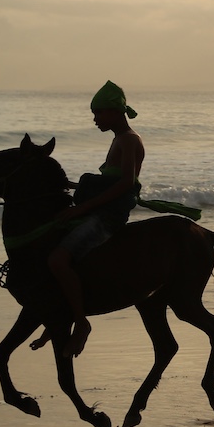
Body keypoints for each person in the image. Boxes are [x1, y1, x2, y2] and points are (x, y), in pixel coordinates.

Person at [46, 80, 145, 357]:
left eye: (99, 113)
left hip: (107, 218)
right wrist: (74, 187)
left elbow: (126, 183)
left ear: (115, 112)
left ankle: (81, 323)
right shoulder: (119, 139)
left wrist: (80, 208)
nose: (95, 119)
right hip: (100, 210)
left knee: (57, 259)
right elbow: (109, 181)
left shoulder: (129, 140)